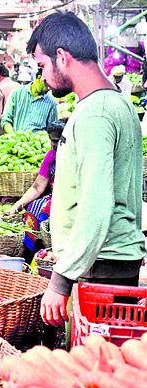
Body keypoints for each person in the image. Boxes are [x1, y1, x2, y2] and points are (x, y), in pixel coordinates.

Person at [27, 11, 146, 327]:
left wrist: (61, 280)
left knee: (97, 366)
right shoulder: (112, 103)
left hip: (101, 266)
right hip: (102, 262)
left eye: (43, 66)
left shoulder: (96, 114)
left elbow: (96, 204)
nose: (43, 78)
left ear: (62, 57)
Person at [3, 119, 66, 251]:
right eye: (51, 140)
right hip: (54, 196)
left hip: (72, 198)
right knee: (34, 208)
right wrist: (15, 207)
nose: (52, 144)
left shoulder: (78, 155)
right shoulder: (51, 155)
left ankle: (51, 250)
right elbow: (37, 187)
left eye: (56, 140)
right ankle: (30, 252)